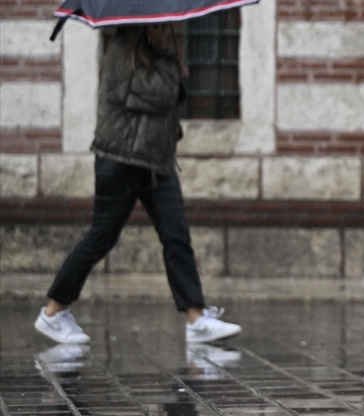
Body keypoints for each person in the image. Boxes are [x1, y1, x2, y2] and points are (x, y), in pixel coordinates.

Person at [34, 24, 241, 345]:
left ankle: (196, 317)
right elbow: (156, 95)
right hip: (120, 162)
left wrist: (171, 67)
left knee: (176, 236)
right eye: (157, 26)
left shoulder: (156, 57)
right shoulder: (121, 56)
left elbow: (163, 100)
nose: (164, 31)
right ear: (140, 28)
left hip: (156, 164)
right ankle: (53, 313)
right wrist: (173, 69)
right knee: (101, 237)